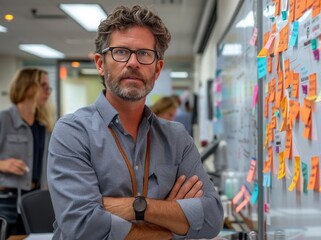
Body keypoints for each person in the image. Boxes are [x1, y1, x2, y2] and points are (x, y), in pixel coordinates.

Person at [47, 5, 223, 240]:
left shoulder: (177, 137)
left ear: (157, 69)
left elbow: (211, 218)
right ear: (101, 64)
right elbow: (83, 227)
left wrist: (136, 207)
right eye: (121, 52)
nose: (132, 62)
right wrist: (169, 221)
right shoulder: (72, 132)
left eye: (144, 54)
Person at [0, 68, 55, 237]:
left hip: (36, 198)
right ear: (27, 86)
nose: (48, 91)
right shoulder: (4, 119)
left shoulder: (45, 125)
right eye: (43, 85)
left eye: (49, 87)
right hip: (7, 200)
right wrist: (2, 164)